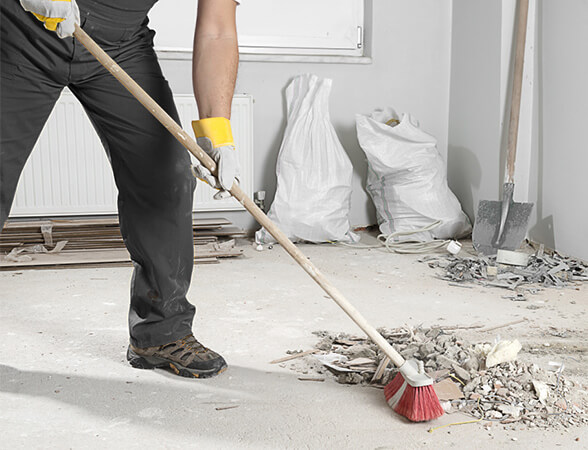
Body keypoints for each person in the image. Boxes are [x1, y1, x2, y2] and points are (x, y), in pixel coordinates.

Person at [0, 0, 241, 378]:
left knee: (166, 174)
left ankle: (161, 333)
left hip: (119, 42)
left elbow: (218, 29)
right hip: (22, 30)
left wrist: (217, 133)